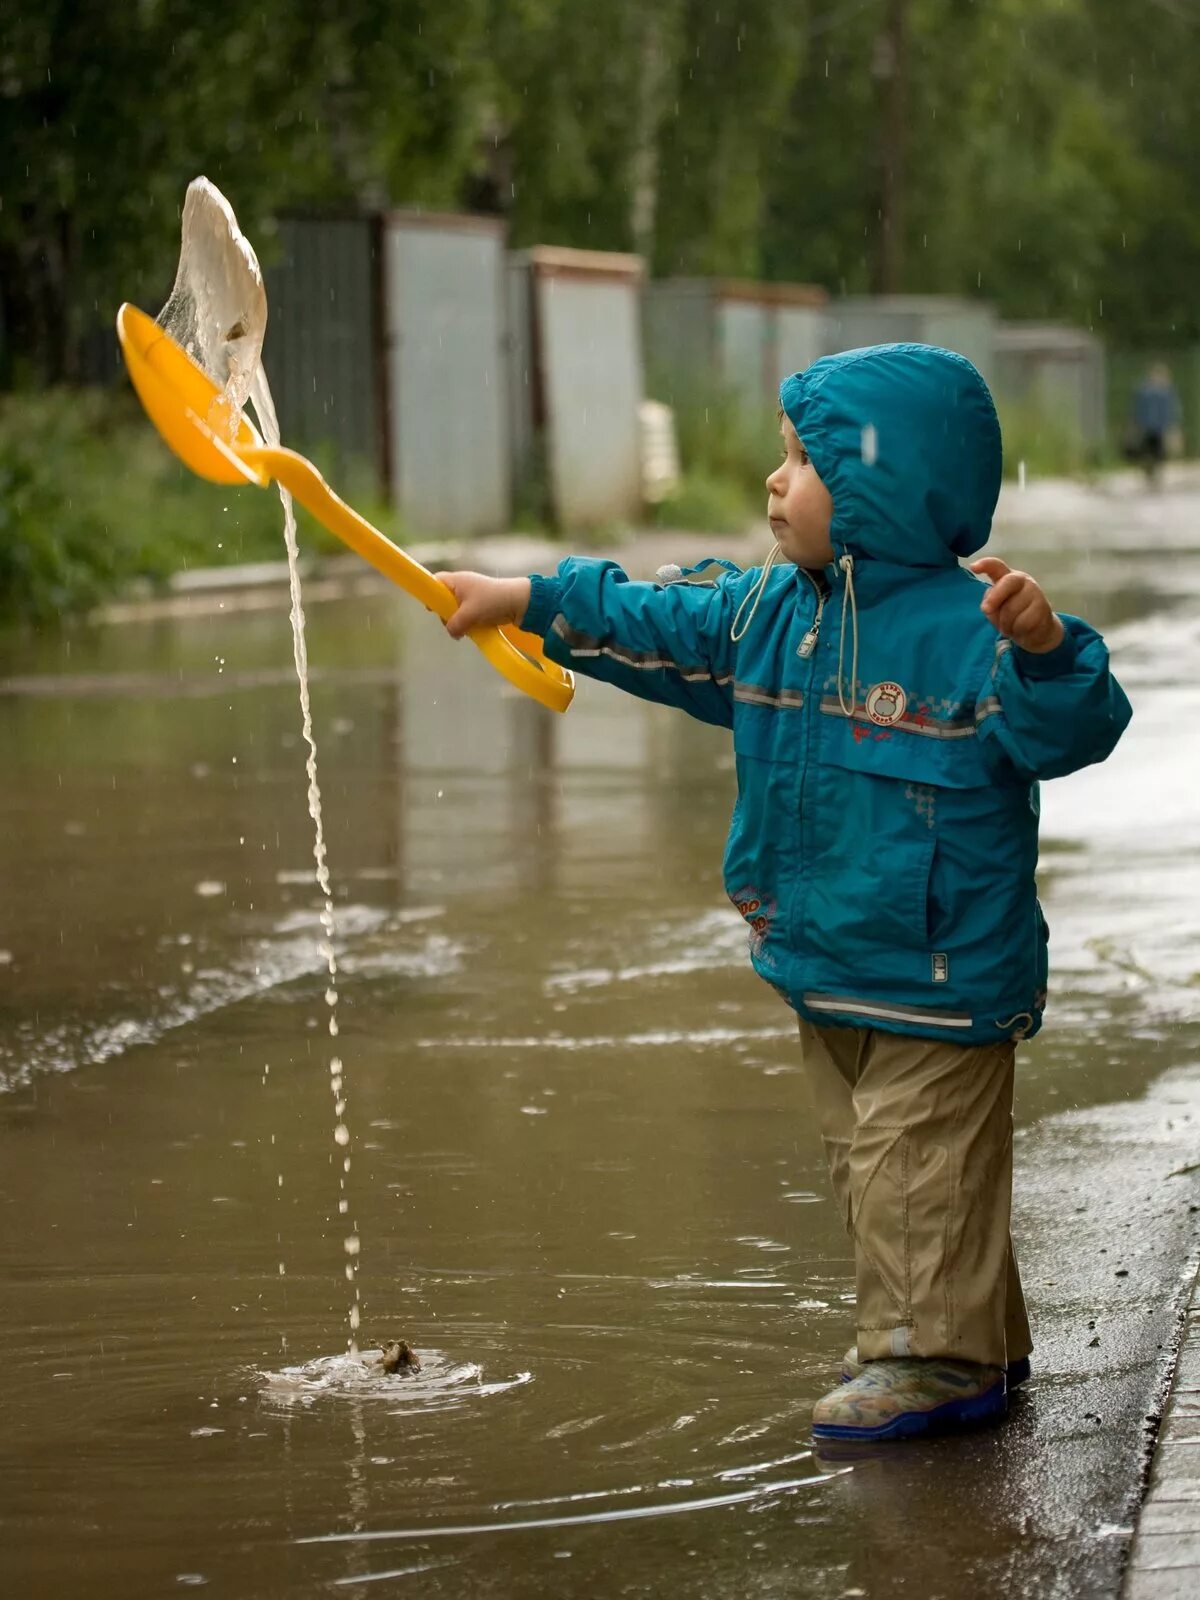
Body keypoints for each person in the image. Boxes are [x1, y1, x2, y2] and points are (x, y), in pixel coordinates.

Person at [435, 344, 1132, 1443]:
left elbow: (1077, 728)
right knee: (889, 1175)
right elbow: (653, 618)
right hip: (828, 962)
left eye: (803, 461)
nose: (775, 480)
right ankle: (978, 1338)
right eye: (781, 456)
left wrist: (1046, 650)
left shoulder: (972, 633)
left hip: (942, 975)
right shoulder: (769, 614)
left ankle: (935, 1363)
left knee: (912, 1166)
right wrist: (526, 597)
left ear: (880, 488)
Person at [1128, 362, 1182, 485]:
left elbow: (1173, 411)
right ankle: (1149, 470)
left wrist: (1174, 428)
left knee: (1160, 452)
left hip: (1160, 427)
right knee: (1146, 450)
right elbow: (1136, 409)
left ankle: (1155, 472)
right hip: (1147, 426)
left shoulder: (1167, 392)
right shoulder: (1143, 391)